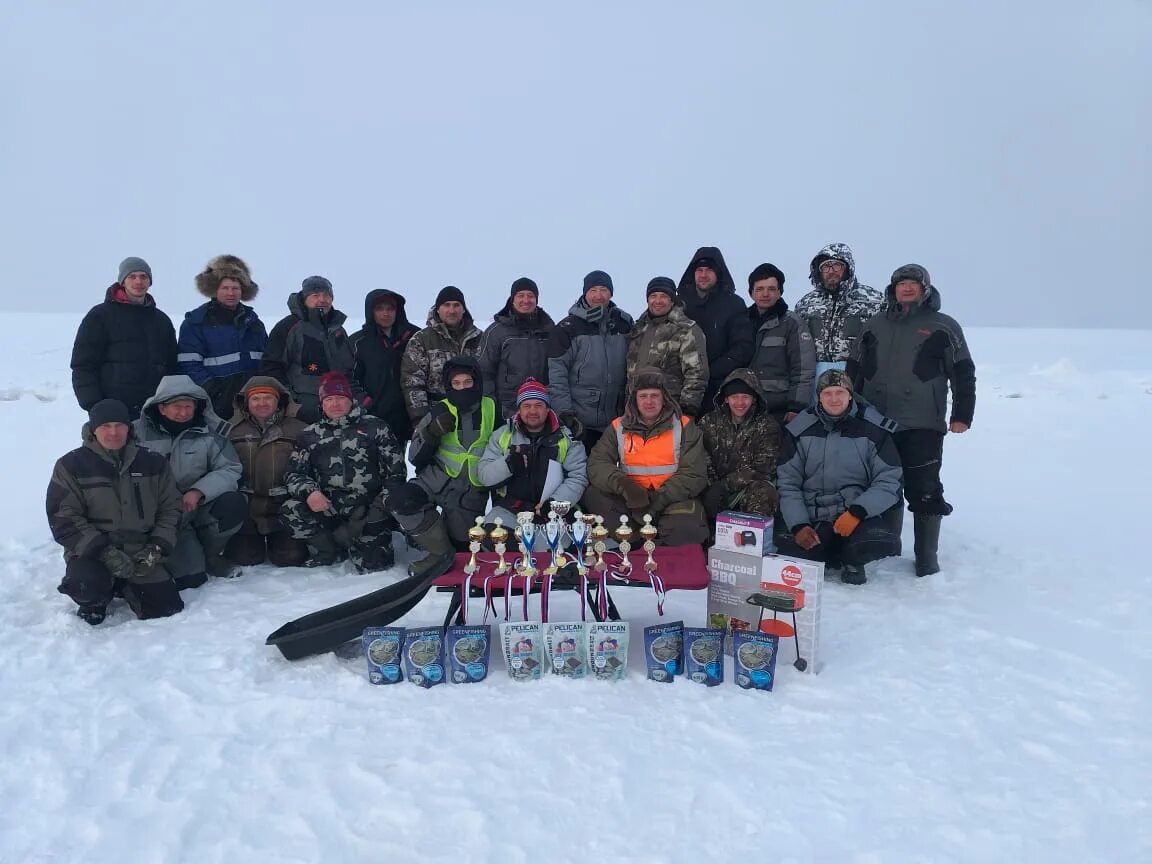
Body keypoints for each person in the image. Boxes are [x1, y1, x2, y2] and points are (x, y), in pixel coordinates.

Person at [847, 264, 976, 577]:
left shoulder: (944, 326)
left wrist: (962, 414)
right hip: (876, 420)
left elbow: (963, 372)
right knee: (878, 485)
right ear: (893, 289)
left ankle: (926, 556)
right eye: (901, 284)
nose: (907, 288)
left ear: (925, 289)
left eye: (913, 284)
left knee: (924, 488)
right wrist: (850, 406)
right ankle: (885, 544)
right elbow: (854, 367)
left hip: (922, 423)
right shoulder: (874, 324)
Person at [47, 399, 184, 624]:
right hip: (94, 553)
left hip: (141, 551)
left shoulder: (153, 461)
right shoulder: (71, 465)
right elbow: (63, 518)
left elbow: (172, 508)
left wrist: (156, 548)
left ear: (129, 429)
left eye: (120, 425)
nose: (113, 432)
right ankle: (96, 599)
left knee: (165, 608)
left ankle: (126, 586)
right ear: (93, 430)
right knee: (85, 585)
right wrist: (104, 553)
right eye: (105, 426)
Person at [775, 370, 903, 585]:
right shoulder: (799, 430)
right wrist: (798, 525)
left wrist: (858, 512)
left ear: (850, 395)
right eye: (827, 393)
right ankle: (827, 549)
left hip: (856, 516)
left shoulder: (873, 429)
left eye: (840, 392)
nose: (834, 399)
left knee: (879, 541)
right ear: (819, 396)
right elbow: (788, 483)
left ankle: (853, 558)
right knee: (793, 556)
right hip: (815, 515)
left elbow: (890, 480)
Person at [281, 372, 406, 571]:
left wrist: (377, 509)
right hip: (328, 508)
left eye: (340, 398)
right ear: (322, 403)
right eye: (329, 399)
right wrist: (310, 492)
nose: (335, 404)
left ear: (350, 400)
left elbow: (396, 474)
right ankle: (329, 549)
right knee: (290, 508)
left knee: (374, 566)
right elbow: (293, 474)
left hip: (368, 509)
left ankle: (362, 543)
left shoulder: (376, 427)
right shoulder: (309, 435)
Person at [134, 375, 247, 587]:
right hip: (156, 512)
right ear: (161, 408)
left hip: (194, 506)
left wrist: (198, 491)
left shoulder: (210, 433)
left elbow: (230, 468)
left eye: (189, 406)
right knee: (190, 578)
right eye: (177, 406)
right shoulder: (136, 434)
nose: (184, 412)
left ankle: (211, 555)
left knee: (233, 503)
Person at [585, 367, 710, 545]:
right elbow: (597, 464)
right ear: (634, 399)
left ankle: (664, 545)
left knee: (687, 529)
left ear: (664, 398)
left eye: (655, 395)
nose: (649, 402)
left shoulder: (684, 426)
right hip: (632, 501)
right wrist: (626, 487)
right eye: (643, 396)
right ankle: (635, 542)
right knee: (593, 495)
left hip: (672, 499)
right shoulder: (617, 427)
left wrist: (658, 500)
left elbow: (694, 474)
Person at [401, 356, 496, 550]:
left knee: (463, 546)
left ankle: (447, 538)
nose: (463, 388)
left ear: (477, 382)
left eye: (468, 382)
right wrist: (431, 433)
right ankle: (438, 552)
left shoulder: (494, 408)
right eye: (456, 383)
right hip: (435, 481)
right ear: (449, 384)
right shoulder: (439, 409)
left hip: (470, 493)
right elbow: (414, 457)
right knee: (402, 500)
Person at [476, 378, 588, 539]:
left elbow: (578, 476)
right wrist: (509, 464)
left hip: (554, 510)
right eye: (527, 406)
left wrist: (555, 504)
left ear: (548, 409)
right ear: (519, 410)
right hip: (511, 510)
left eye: (539, 405)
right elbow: (484, 475)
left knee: (562, 554)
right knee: (494, 541)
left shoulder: (566, 438)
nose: (533, 411)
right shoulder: (502, 435)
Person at [71, 256, 178, 415]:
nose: (138, 281)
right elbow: (83, 365)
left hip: (155, 410)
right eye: (132, 276)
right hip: (113, 412)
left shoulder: (161, 320)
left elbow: (172, 365)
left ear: (150, 281)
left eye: (144, 277)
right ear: (122, 281)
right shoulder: (100, 316)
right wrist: (94, 404)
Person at [223, 376, 310, 568]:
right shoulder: (230, 430)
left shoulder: (300, 429)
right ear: (246, 402)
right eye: (255, 398)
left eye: (268, 398)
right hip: (247, 509)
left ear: (279, 400)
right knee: (244, 558)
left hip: (284, 506)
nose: (262, 403)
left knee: (290, 557)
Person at [547, 270, 634, 450]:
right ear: (585, 293)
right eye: (593, 290)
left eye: (603, 290)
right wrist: (565, 413)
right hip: (580, 423)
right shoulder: (568, 328)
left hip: (617, 420)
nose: (598, 296)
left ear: (611, 293)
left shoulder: (624, 324)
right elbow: (556, 374)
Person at [260, 275, 363, 423]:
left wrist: (357, 397)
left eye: (327, 295)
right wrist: (291, 402)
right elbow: (271, 367)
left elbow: (348, 369)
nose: (322, 299)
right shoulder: (289, 327)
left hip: (339, 406)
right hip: (304, 408)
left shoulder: (338, 330)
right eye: (315, 295)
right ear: (304, 298)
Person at [177, 255, 268, 419]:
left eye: (235, 288)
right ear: (214, 290)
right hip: (213, 404)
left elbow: (266, 359)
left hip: (253, 401)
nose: (230, 293)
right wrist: (214, 391)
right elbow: (189, 365)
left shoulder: (254, 322)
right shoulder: (196, 322)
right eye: (225, 288)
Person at [794, 242, 883, 389]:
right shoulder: (805, 304)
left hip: (858, 377)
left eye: (837, 265)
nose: (831, 271)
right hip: (816, 379)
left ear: (848, 267)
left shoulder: (873, 300)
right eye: (826, 266)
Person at [697, 369, 782, 520]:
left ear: (754, 398)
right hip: (712, 486)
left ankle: (752, 536)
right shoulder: (708, 422)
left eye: (745, 397)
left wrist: (726, 485)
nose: (740, 403)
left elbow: (764, 467)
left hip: (746, 488)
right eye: (734, 397)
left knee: (764, 491)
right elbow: (700, 455)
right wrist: (713, 487)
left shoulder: (768, 425)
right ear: (726, 399)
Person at [676, 247, 755, 409]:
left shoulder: (733, 304)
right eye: (699, 270)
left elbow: (743, 347)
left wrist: (710, 371)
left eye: (709, 270)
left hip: (718, 388)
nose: (703, 275)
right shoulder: (678, 304)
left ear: (718, 273)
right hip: (680, 386)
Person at [401, 285, 484, 425]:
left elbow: (487, 377)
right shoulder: (421, 340)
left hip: (475, 415)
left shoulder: (480, 338)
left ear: (463, 309)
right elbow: (412, 383)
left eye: (457, 305)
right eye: (447, 305)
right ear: (438, 309)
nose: (452, 310)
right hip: (437, 414)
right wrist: (423, 420)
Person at [626, 277, 709, 418]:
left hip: (671, 410)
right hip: (636, 411)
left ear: (672, 300)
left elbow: (697, 374)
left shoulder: (686, 329)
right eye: (653, 296)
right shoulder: (638, 329)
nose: (658, 301)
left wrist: (687, 410)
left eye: (664, 296)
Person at [478, 277, 557, 419]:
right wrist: (492, 407)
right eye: (520, 296)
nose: (526, 300)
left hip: (540, 410)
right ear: (512, 299)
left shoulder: (549, 329)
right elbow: (484, 372)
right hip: (506, 410)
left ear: (537, 300)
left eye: (530, 296)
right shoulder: (496, 332)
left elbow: (557, 369)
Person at [746, 263, 816, 424]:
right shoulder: (740, 322)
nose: (765, 294)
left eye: (771, 289)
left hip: (780, 410)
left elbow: (803, 368)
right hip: (745, 407)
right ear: (751, 293)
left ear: (780, 292)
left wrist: (796, 406)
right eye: (759, 289)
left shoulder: (792, 323)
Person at [350, 289, 419, 446]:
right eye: (379, 309)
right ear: (371, 311)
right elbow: (348, 377)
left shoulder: (414, 337)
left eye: (390, 309)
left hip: (404, 418)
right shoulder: (358, 342)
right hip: (370, 417)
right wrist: (365, 402)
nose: (385, 313)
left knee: (397, 466)